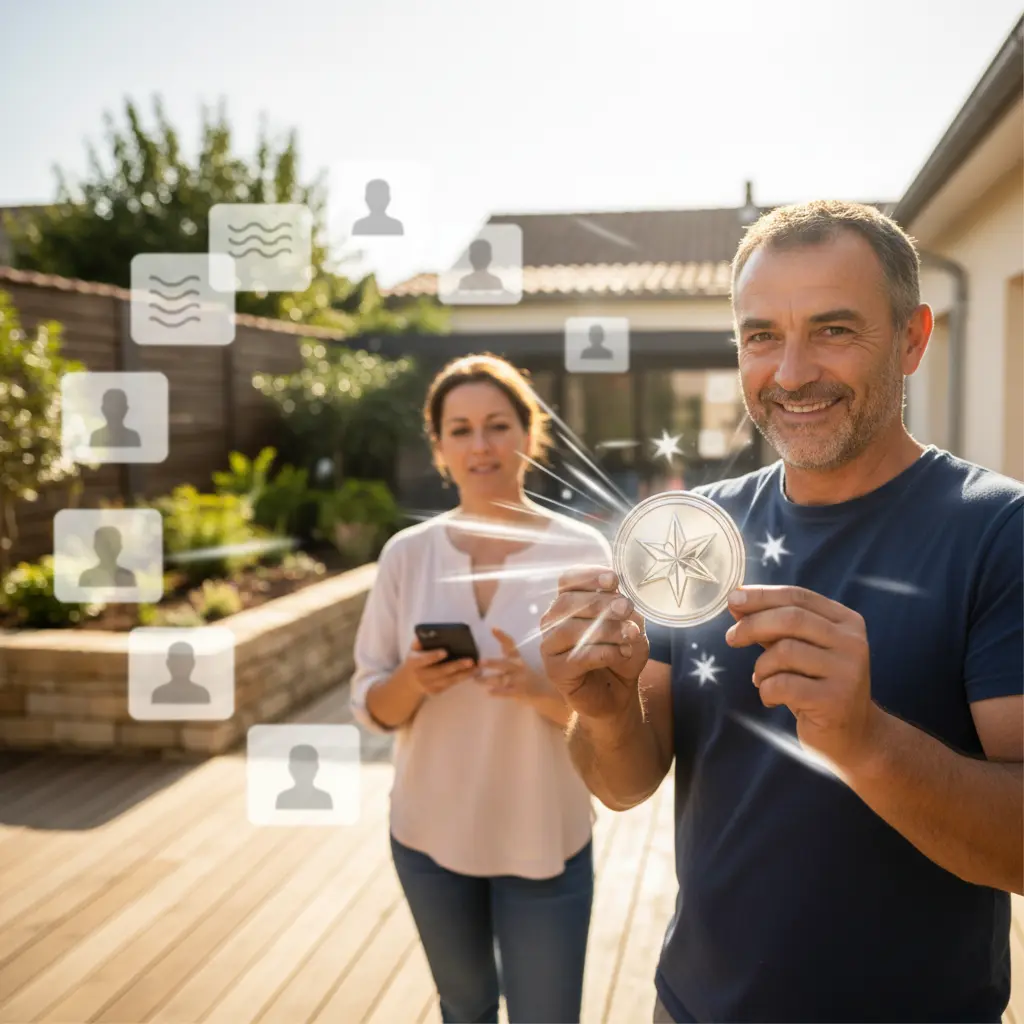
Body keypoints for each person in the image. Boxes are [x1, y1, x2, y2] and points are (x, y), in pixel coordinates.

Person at [540, 200, 1023, 1023]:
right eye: (762, 335)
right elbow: (623, 784)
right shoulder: (696, 532)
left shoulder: (998, 532)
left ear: (912, 338)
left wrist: (865, 740)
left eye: (834, 330)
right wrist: (603, 711)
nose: (791, 372)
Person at [350, 354, 609, 1024]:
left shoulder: (583, 553)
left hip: (544, 835)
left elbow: (613, 712)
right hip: (430, 838)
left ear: (530, 435)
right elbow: (372, 708)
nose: (482, 444)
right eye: (460, 429)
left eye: (498, 424)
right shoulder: (407, 555)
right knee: (464, 1009)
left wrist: (537, 689)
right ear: (439, 447)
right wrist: (412, 680)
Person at [151, 641, 211, 705]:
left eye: (184, 662)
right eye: (177, 662)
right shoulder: (159, 694)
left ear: (192, 663)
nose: (180, 666)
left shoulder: (201, 694)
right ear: (168, 663)